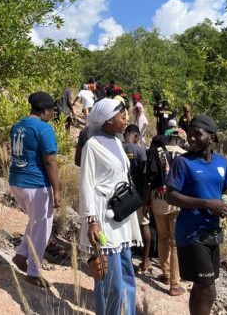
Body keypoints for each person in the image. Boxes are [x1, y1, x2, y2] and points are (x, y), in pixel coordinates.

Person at [166, 115, 227, 315]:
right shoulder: (182, 163)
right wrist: (208, 204)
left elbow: (225, 188)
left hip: (212, 232)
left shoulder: (222, 163)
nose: (190, 138)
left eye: (196, 134)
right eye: (188, 134)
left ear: (211, 137)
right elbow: (171, 196)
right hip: (191, 234)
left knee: (201, 288)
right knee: (208, 291)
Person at [79, 98, 142, 315]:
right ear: (108, 119)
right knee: (108, 277)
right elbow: (87, 184)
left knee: (127, 275)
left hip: (121, 216)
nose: (126, 120)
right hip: (103, 218)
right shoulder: (92, 146)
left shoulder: (117, 142)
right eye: (122, 116)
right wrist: (92, 220)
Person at [9, 91, 61, 288]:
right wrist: (56, 191)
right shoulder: (43, 128)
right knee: (42, 228)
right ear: (46, 110)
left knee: (35, 222)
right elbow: (49, 160)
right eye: (51, 112)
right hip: (36, 184)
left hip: (16, 181)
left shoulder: (17, 126)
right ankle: (34, 271)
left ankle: (22, 255)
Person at [150, 130, 187, 297]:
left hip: (158, 200)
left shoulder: (156, 151)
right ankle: (174, 284)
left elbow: (149, 178)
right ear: (180, 139)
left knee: (163, 237)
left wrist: (147, 201)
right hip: (177, 203)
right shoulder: (186, 155)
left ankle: (165, 274)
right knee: (175, 243)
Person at [122, 124, 151, 274]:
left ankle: (124, 259)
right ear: (136, 136)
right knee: (144, 225)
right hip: (139, 194)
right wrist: (147, 200)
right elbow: (147, 178)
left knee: (124, 228)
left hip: (122, 196)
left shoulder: (118, 148)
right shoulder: (140, 151)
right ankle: (145, 260)